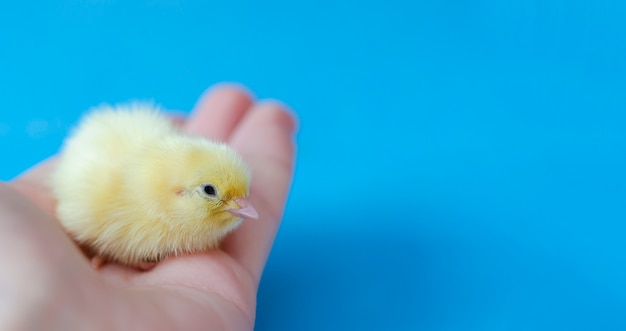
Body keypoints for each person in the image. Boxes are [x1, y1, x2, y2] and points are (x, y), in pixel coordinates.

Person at [0, 84, 297, 330]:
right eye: (210, 192)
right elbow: (74, 214)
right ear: (176, 193)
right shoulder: (101, 199)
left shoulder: (172, 188)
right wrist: (102, 249)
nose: (243, 206)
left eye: (240, 195)